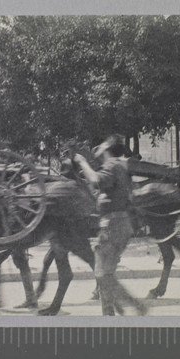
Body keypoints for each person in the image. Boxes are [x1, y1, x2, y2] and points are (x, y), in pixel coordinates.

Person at [74, 134, 147, 316]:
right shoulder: (120, 166)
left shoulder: (112, 164)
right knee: (107, 274)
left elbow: (97, 180)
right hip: (120, 224)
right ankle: (114, 313)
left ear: (107, 148)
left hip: (112, 225)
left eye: (101, 145)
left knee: (102, 274)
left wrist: (83, 162)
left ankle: (133, 306)